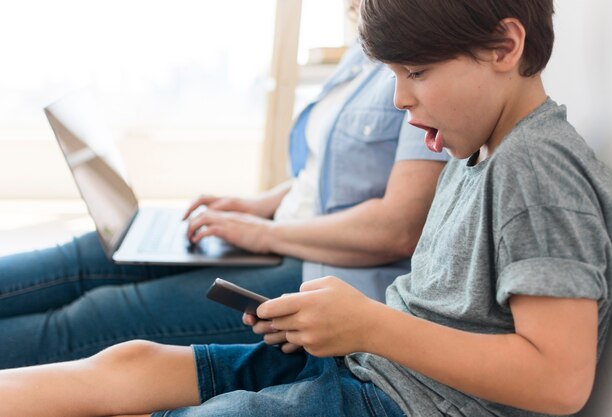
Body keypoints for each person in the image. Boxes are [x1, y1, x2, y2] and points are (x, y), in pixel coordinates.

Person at [2, 1, 612, 416]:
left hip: (399, 401)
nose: (400, 99)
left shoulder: (539, 169)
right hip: (373, 368)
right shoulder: (483, 149)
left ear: (505, 46)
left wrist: (370, 324)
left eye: (416, 71)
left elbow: (559, 381)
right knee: (132, 363)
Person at [0, 15, 447, 368]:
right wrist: (258, 206)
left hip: (325, 271)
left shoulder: (422, 58)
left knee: (89, 317)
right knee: (89, 255)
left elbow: (398, 229)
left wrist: (262, 232)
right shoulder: (367, 39)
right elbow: (327, 174)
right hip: (286, 233)